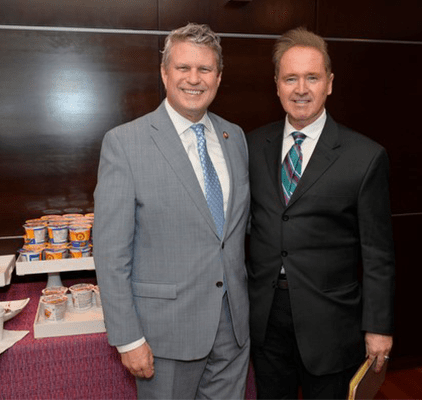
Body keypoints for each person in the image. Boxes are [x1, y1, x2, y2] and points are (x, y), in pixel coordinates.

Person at [93, 23, 250, 399]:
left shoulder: (235, 137)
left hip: (233, 329)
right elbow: (111, 253)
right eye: (183, 68)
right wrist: (128, 337)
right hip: (165, 336)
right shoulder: (124, 144)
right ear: (165, 73)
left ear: (219, 77)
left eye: (205, 69)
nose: (194, 79)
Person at [246, 27, 395, 399]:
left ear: (329, 83)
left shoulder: (365, 156)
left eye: (311, 77)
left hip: (331, 324)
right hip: (265, 318)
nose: (301, 89)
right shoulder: (250, 146)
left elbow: (378, 253)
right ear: (277, 85)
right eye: (290, 78)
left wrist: (378, 327)